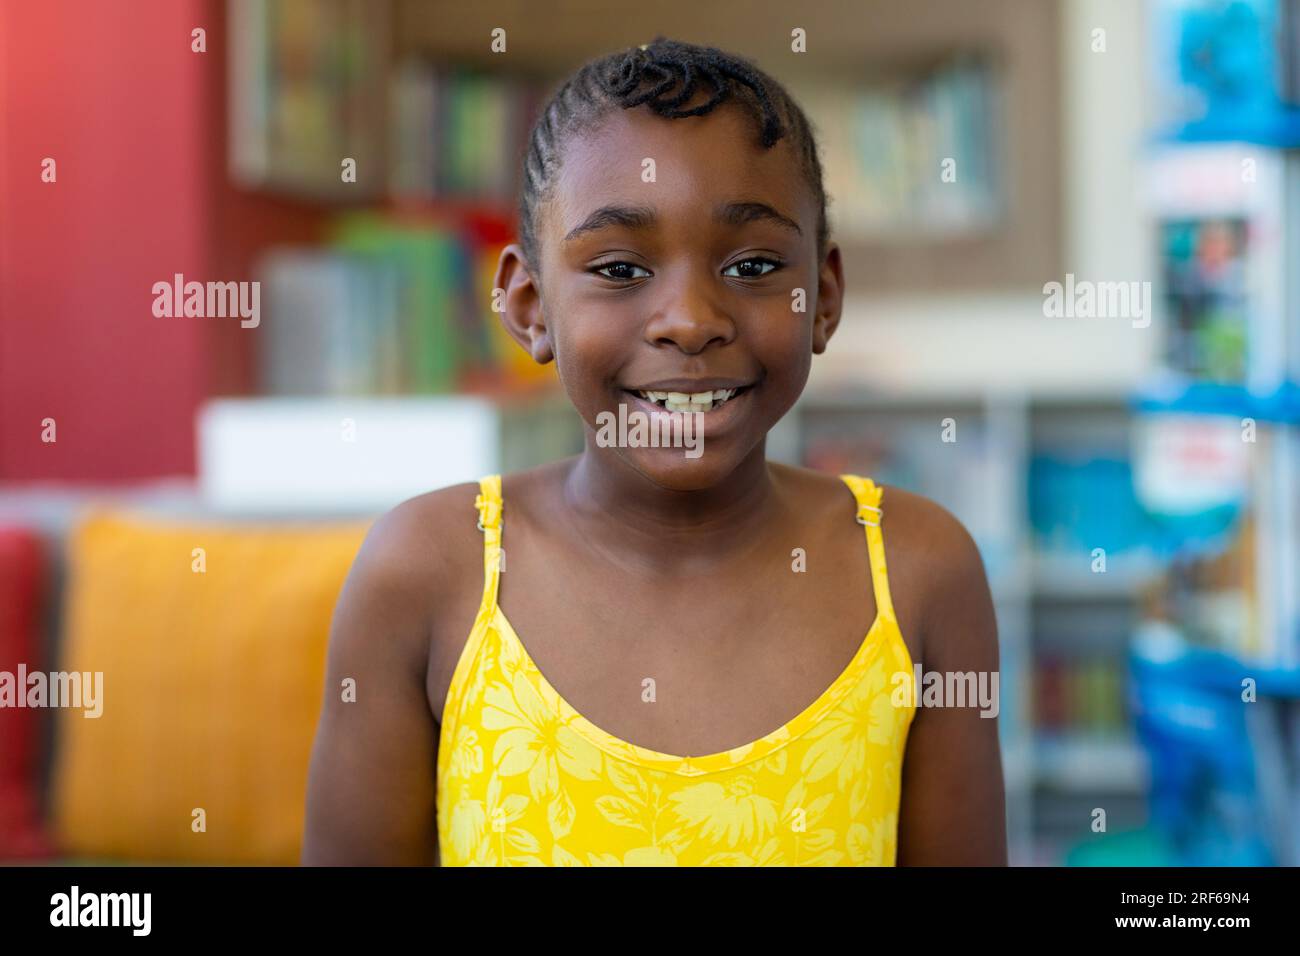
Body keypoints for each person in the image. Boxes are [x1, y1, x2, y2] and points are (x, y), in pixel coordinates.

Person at [302, 37, 1005, 866]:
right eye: (621, 267)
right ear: (530, 307)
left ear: (824, 295)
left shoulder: (919, 571)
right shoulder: (426, 571)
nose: (689, 319)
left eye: (751, 265)